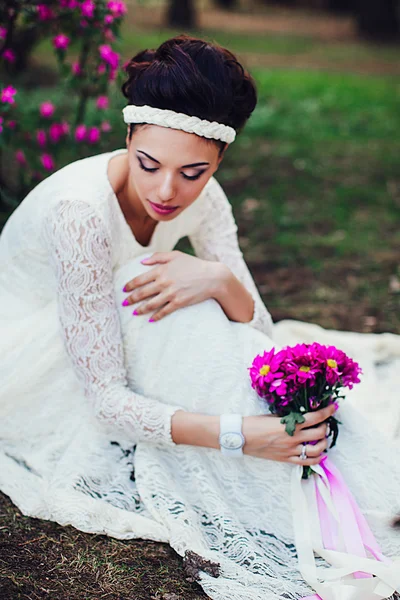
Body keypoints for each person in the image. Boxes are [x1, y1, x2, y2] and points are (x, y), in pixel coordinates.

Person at [0, 35, 399, 600]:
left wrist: (218, 280)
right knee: (152, 296)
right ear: (128, 136)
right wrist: (242, 436)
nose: (167, 191)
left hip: (134, 341)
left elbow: (256, 334)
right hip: (32, 370)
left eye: (193, 172)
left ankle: (356, 490)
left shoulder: (205, 200)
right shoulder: (79, 215)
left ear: (218, 161)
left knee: (203, 318)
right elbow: (107, 404)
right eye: (148, 164)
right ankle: (293, 490)